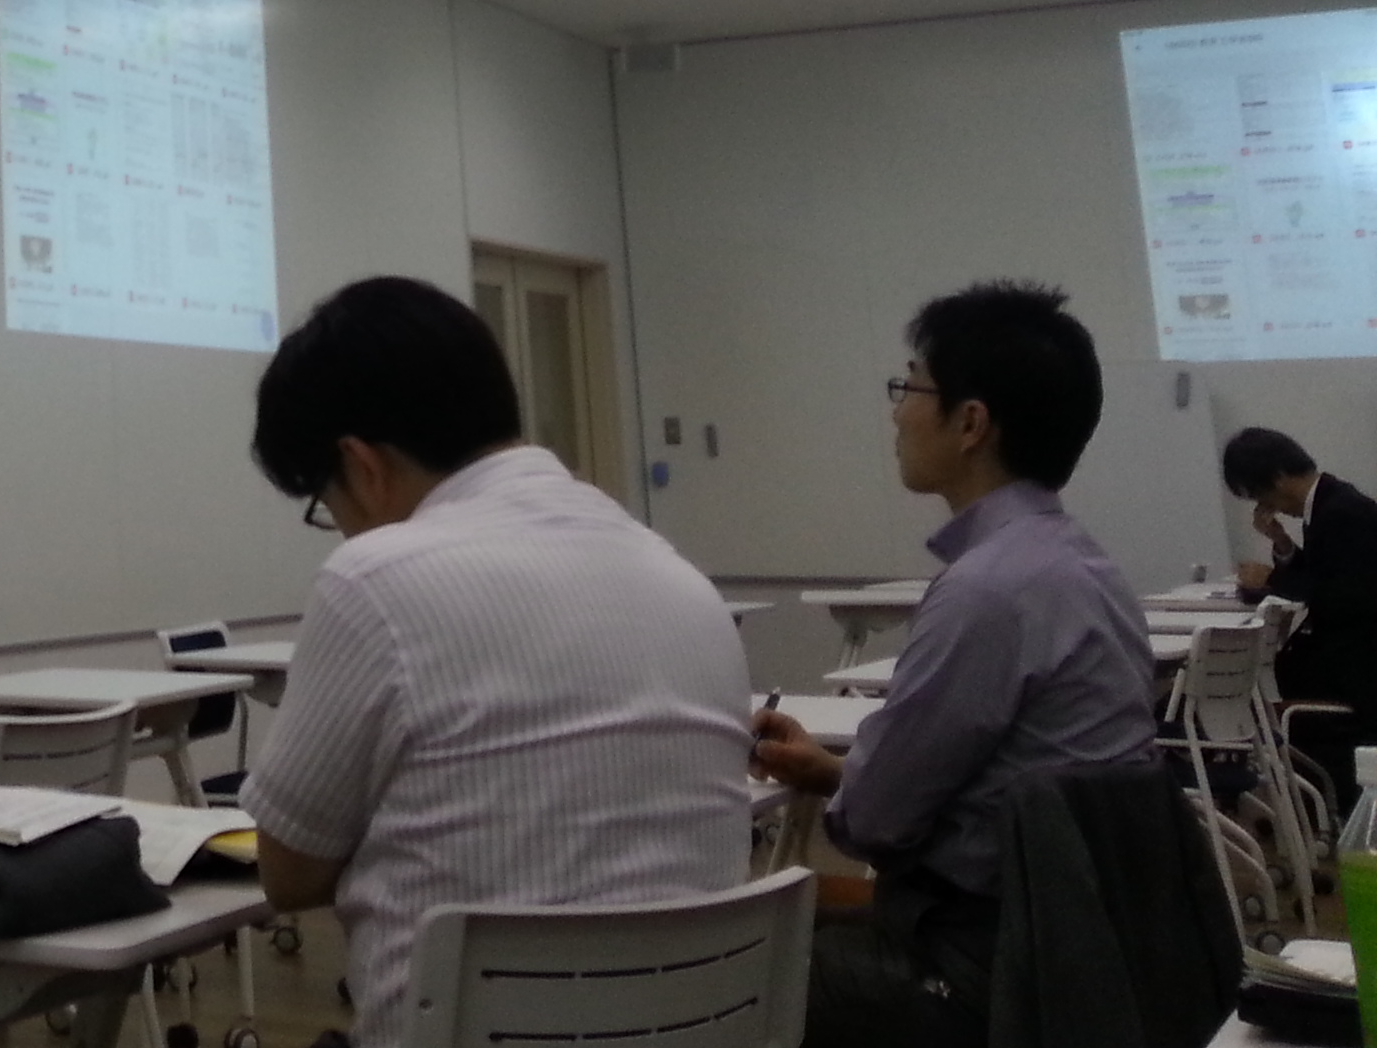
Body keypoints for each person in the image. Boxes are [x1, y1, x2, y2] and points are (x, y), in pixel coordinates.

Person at [237, 276, 751, 1048]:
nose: (339, 529)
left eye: (326, 505)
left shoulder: (376, 581)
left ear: (362, 466)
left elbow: (289, 874)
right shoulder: (681, 579)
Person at [751, 282, 1155, 1048]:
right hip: (1084, 946)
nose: (896, 413)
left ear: (970, 423)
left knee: (719, 979)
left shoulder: (987, 590)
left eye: (910, 387)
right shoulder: (1088, 570)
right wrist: (834, 773)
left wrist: (855, 791)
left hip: (985, 968)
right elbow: (1008, 785)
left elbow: (876, 824)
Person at [1225, 425, 1377, 801]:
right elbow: (1323, 574)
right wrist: (1281, 543)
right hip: (1351, 652)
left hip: (1357, 667)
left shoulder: (1341, 512)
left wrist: (1272, 578)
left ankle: (1305, 798)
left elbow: (1344, 598)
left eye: (1258, 493)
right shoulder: (1330, 502)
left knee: (1259, 686)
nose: (1265, 504)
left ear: (1277, 477)